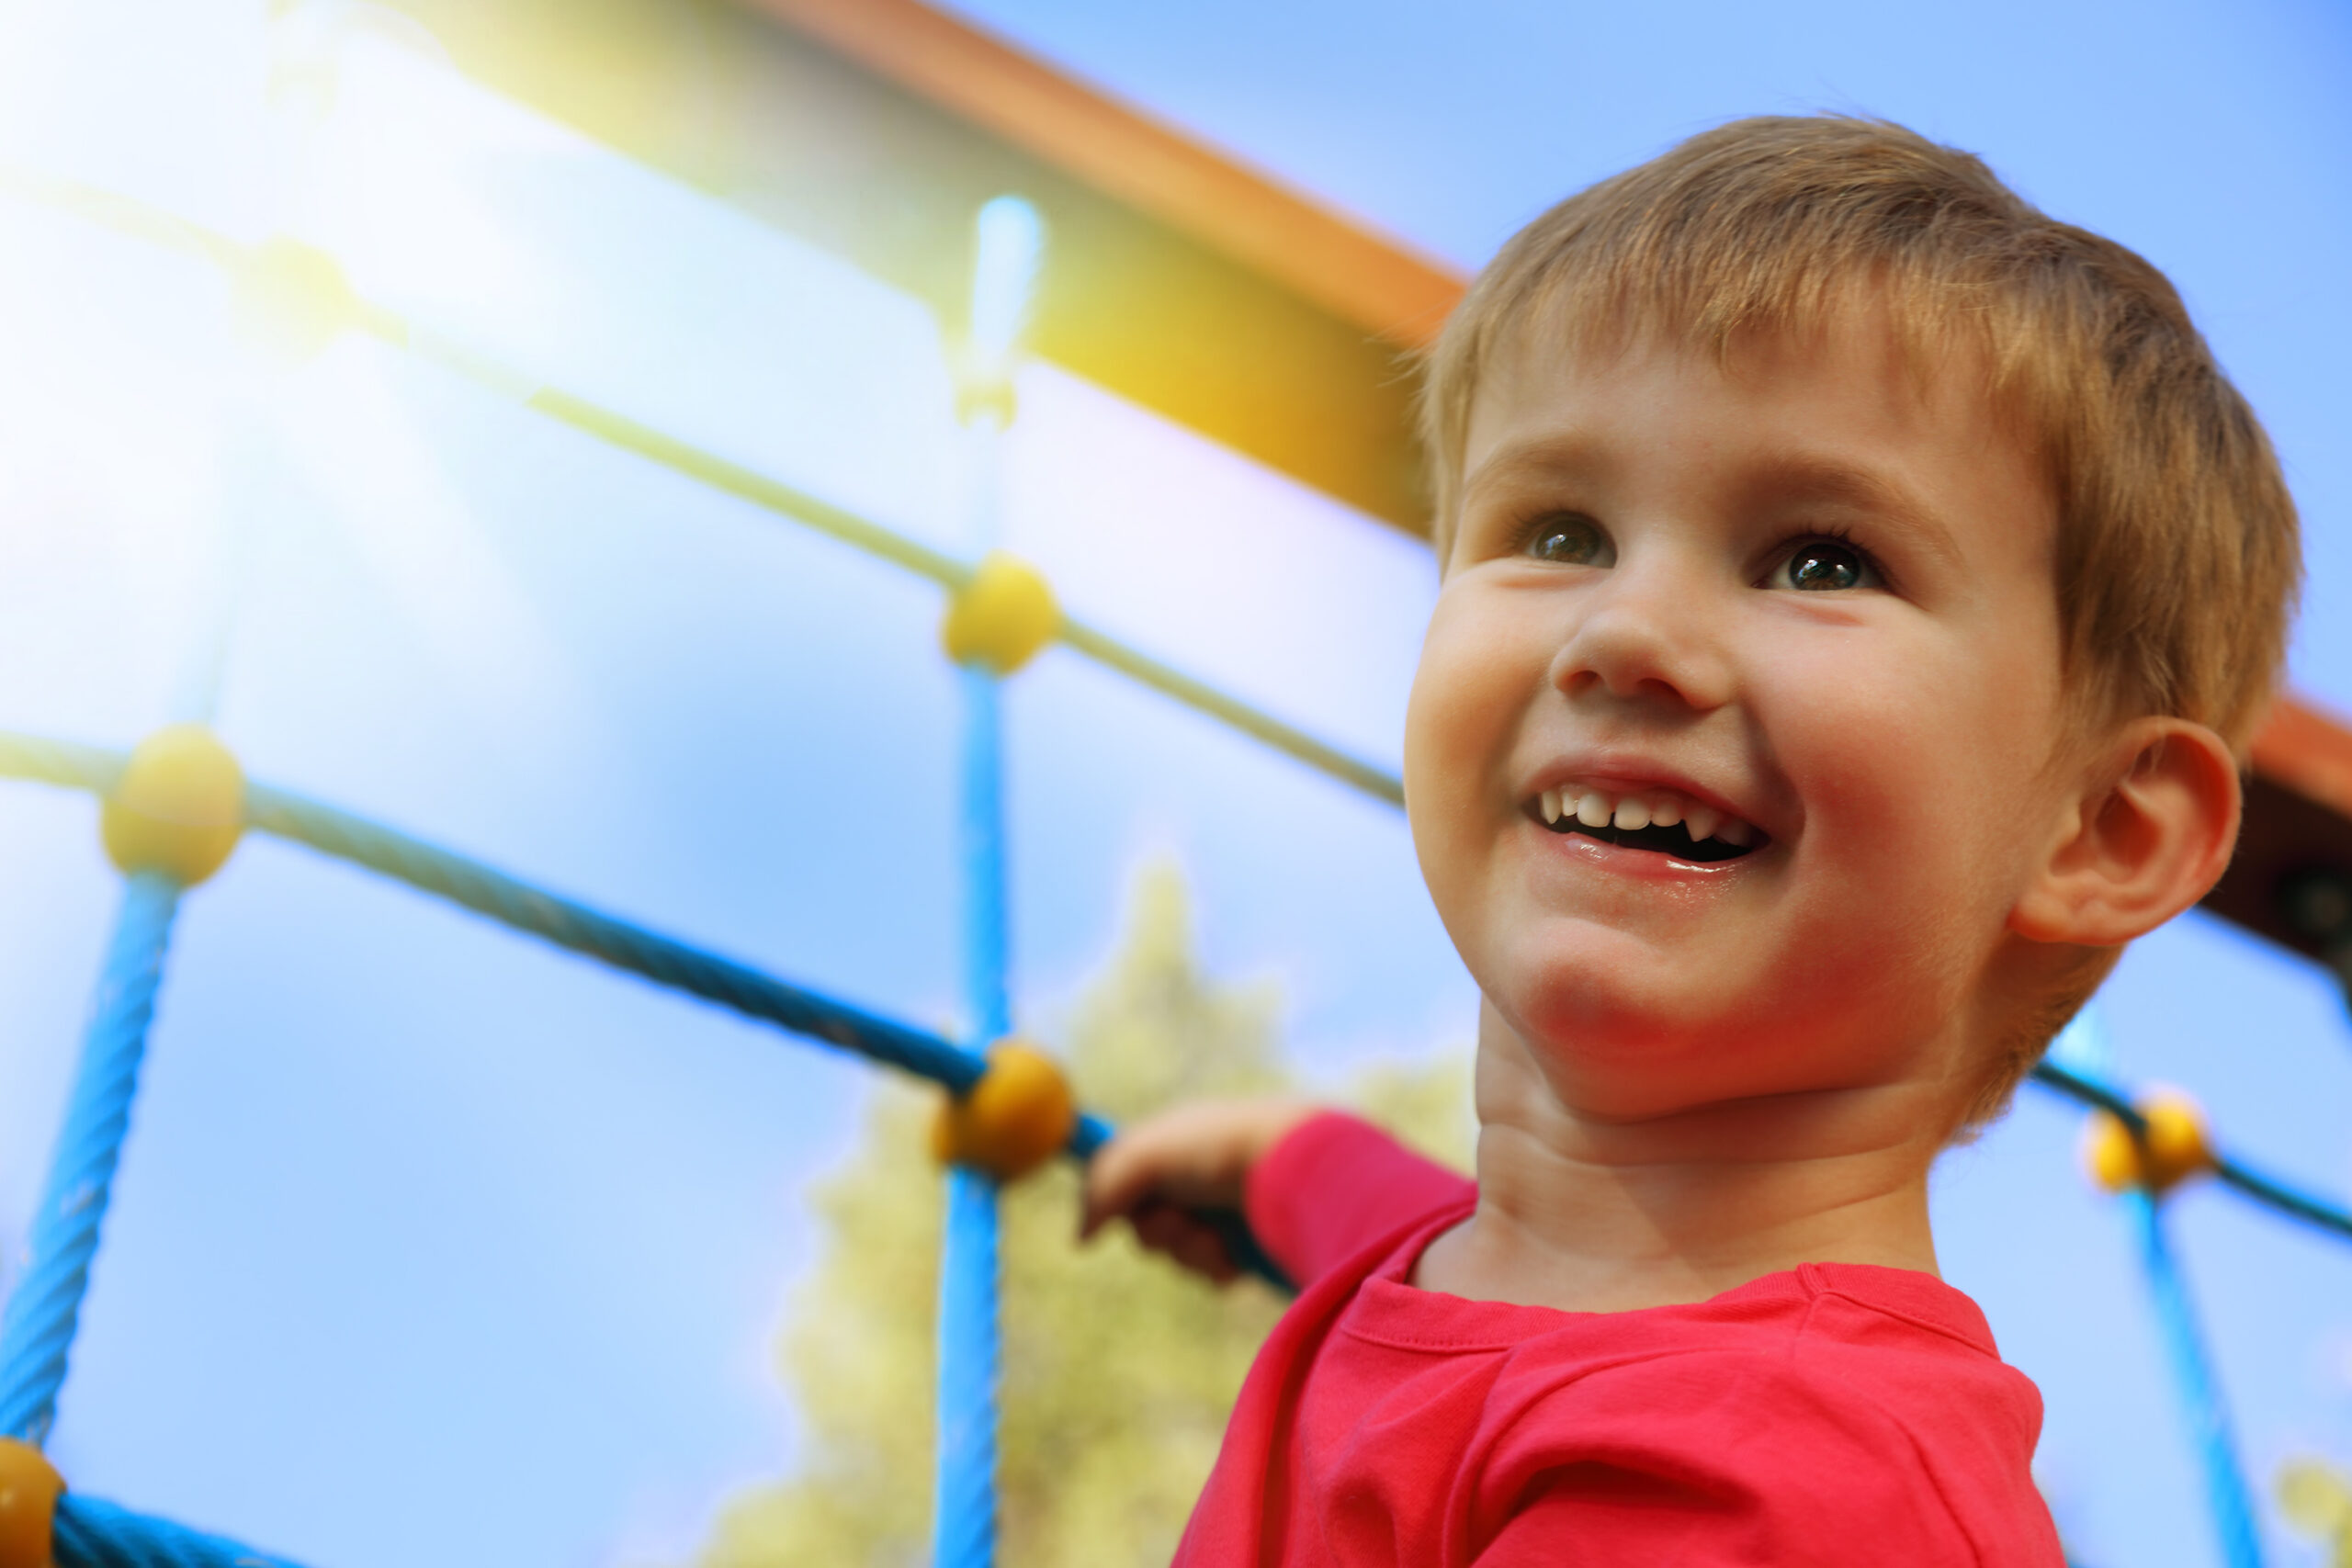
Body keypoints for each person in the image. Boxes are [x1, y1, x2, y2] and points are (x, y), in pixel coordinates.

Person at [1080, 115, 2301, 1563]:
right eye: (1558, 531)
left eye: (1821, 560)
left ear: (2100, 827)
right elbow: (1469, 1278)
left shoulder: (1786, 1491)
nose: (1625, 633)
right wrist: (1294, 1162)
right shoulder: (1517, 1282)